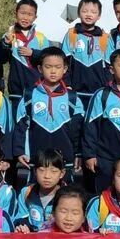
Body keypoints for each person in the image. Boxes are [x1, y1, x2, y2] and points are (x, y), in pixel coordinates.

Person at [14, 47, 85, 175]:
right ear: (40, 69)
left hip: (65, 160)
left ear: (65, 69)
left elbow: (78, 130)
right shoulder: (29, 96)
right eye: (48, 67)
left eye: (58, 67)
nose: (53, 71)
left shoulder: (73, 98)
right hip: (35, 159)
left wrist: (78, 153)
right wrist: (20, 151)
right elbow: (21, 126)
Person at [0, 0, 50, 119]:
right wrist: (5, 44)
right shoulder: (9, 35)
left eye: (30, 14)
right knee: (17, 122)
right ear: (15, 13)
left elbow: (49, 59)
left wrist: (33, 53)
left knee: (36, 121)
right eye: (22, 13)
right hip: (16, 91)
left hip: (37, 90)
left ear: (35, 17)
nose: (25, 17)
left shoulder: (41, 38)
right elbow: (1, 59)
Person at [62, 0, 114, 110]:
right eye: (85, 11)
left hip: (98, 92)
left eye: (93, 12)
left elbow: (109, 67)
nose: (89, 14)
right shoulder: (71, 34)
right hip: (75, 91)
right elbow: (63, 63)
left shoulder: (105, 38)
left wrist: (108, 87)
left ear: (99, 16)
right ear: (78, 13)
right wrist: (67, 84)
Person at [14, 148, 67, 232]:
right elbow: (20, 217)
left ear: (62, 173)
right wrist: (24, 227)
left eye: (53, 171)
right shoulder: (27, 192)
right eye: (42, 170)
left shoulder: (67, 196)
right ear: (35, 171)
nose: (47, 176)